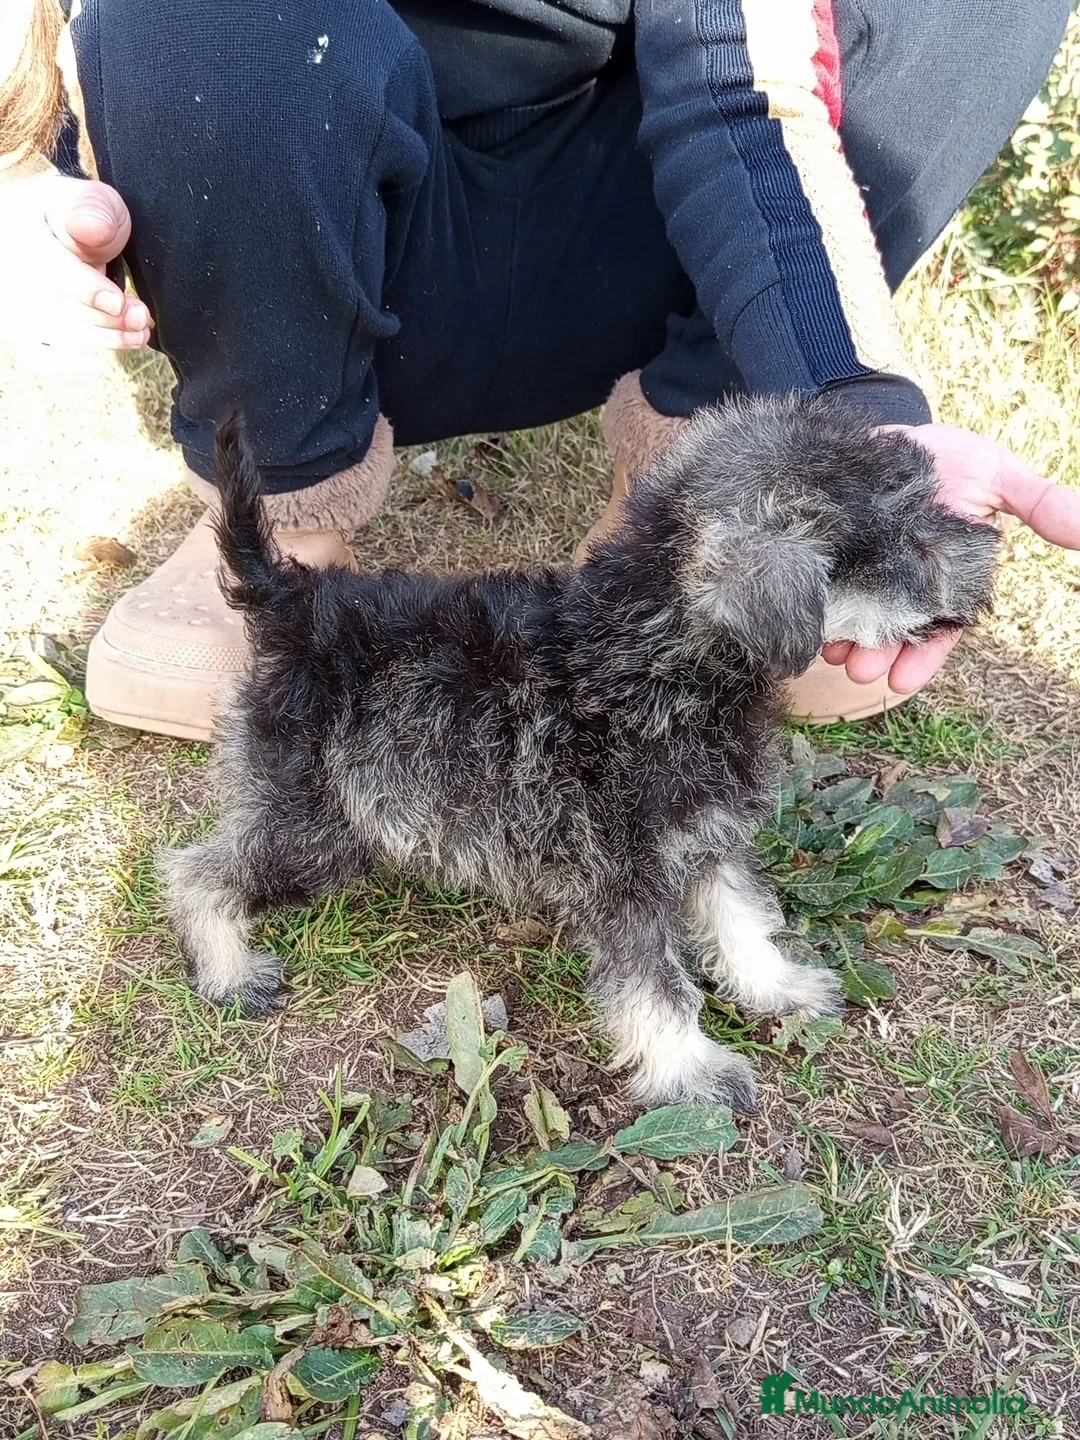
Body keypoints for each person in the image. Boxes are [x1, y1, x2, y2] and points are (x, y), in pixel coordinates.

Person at [2, 0, 1077, 741]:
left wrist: (850, 411)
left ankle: (704, 508)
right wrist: (23, 176)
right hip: (324, 233)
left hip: (639, 227)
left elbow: (742, 84)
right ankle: (280, 521)